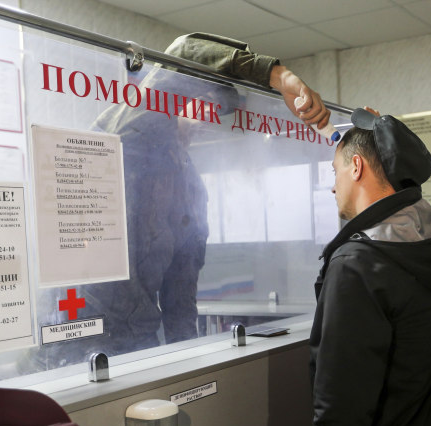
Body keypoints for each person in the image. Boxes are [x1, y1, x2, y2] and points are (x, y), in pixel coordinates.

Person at [36, 33, 331, 362]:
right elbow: (184, 51)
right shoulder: (123, 142)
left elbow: (180, 297)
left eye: (217, 111)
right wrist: (280, 76)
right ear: (179, 96)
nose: (209, 118)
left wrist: (189, 360)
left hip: (137, 342)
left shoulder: (190, 186)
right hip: (75, 338)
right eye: (203, 101)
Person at [295, 108, 431, 426]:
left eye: (335, 170)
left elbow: (341, 411)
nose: (332, 185)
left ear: (356, 167)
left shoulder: (359, 265)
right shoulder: (430, 245)